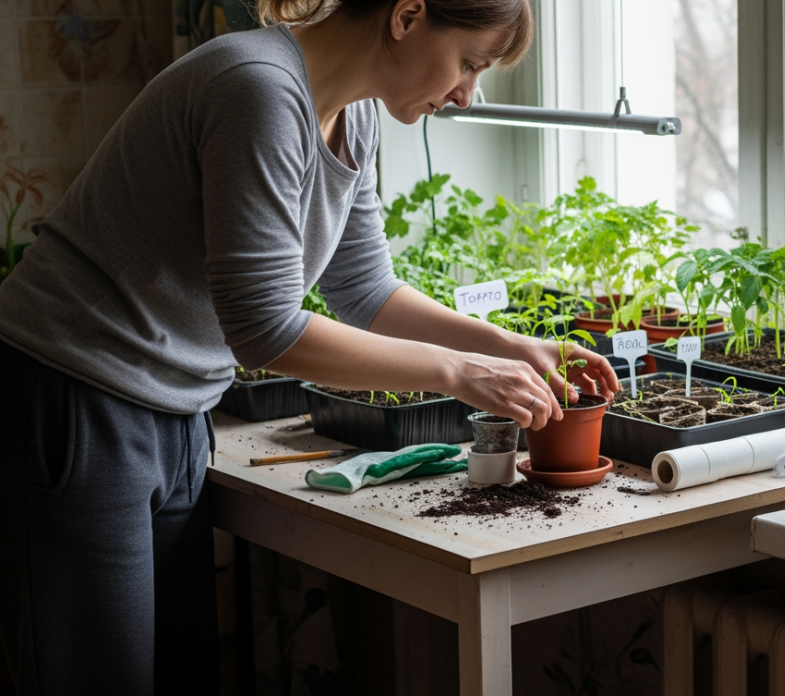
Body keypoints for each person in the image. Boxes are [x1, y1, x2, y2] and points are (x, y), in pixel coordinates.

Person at [0, 0, 618, 692]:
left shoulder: (354, 115)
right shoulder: (258, 90)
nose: (465, 94)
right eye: (469, 63)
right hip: (77, 397)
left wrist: (508, 344)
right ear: (407, 16)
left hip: (175, 409)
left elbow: (365, 288)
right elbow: (264, 327)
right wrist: (458, 372)